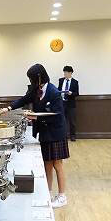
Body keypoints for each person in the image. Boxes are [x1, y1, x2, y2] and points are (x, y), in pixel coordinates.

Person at [9, 64, 69, 208]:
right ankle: (47, 193)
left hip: (56, 132)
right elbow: (24, 99)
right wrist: (9, 107)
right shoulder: (36, 90)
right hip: (44, 132)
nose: (31, 81)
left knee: (57, 164)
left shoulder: (53, 92)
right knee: (47, 164)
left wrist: (34, 117)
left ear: (39, 77)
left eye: (32, 78)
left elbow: (57, 115)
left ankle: (62, 196)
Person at [57, 66, 79, 141]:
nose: (64, 74)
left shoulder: (75, 82)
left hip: (71, 104)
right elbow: (58, 90)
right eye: (64, 72)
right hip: (62, 103)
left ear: (70, 73)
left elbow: (77, 93)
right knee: (62, 120)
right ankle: (63, 135)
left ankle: (73, 136)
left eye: (66, 72)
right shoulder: (61, 80)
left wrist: (71, 93)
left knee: (72, 121)